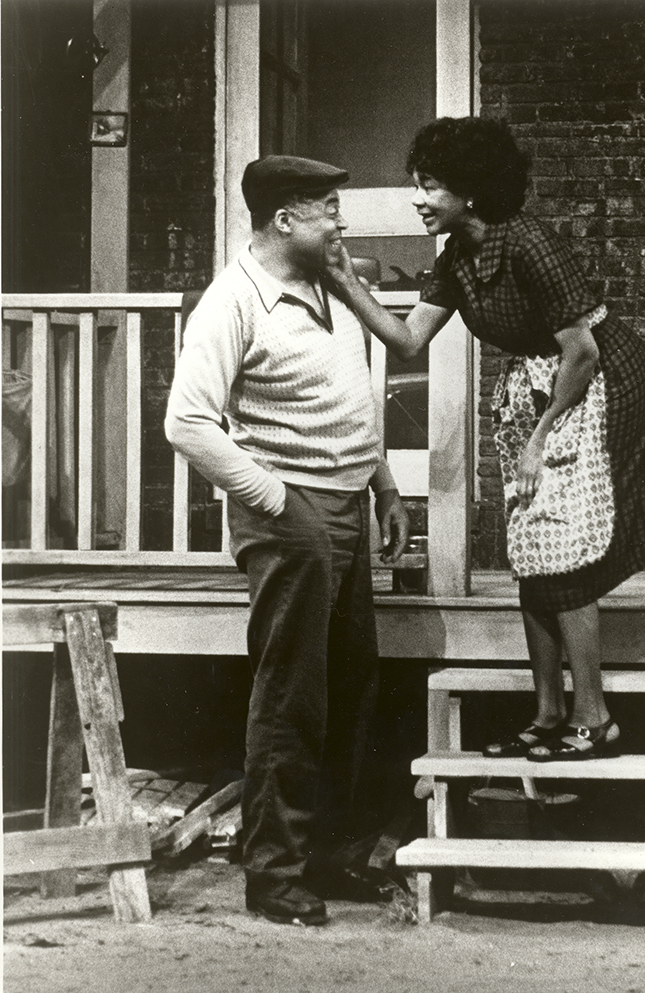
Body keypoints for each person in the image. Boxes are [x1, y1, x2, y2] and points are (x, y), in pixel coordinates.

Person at [326, 117, 645, 763]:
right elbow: (407, 340)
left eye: (429, 186)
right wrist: (346, 281)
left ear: (471, 190)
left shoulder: (529, 244)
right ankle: (547, 713)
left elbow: (583, 350)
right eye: (417, 185)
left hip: (597, 382)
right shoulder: (457, 255)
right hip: (543, 387)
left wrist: (541, 438)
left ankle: (593, 717)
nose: (418, 199)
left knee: (562, 547)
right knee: (532, 547)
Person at [165, 154, 409, 926]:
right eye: (328, 208)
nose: (341, 221)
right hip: (289, 510)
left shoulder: (324, 284)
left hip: (344, 502)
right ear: (283, 220)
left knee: (349, 685)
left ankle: (328, 858)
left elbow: (347, 400)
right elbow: (187, 422)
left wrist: (384, 485)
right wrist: (275, 497)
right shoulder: (233, 301)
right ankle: (273, 875)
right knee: (293, 696)